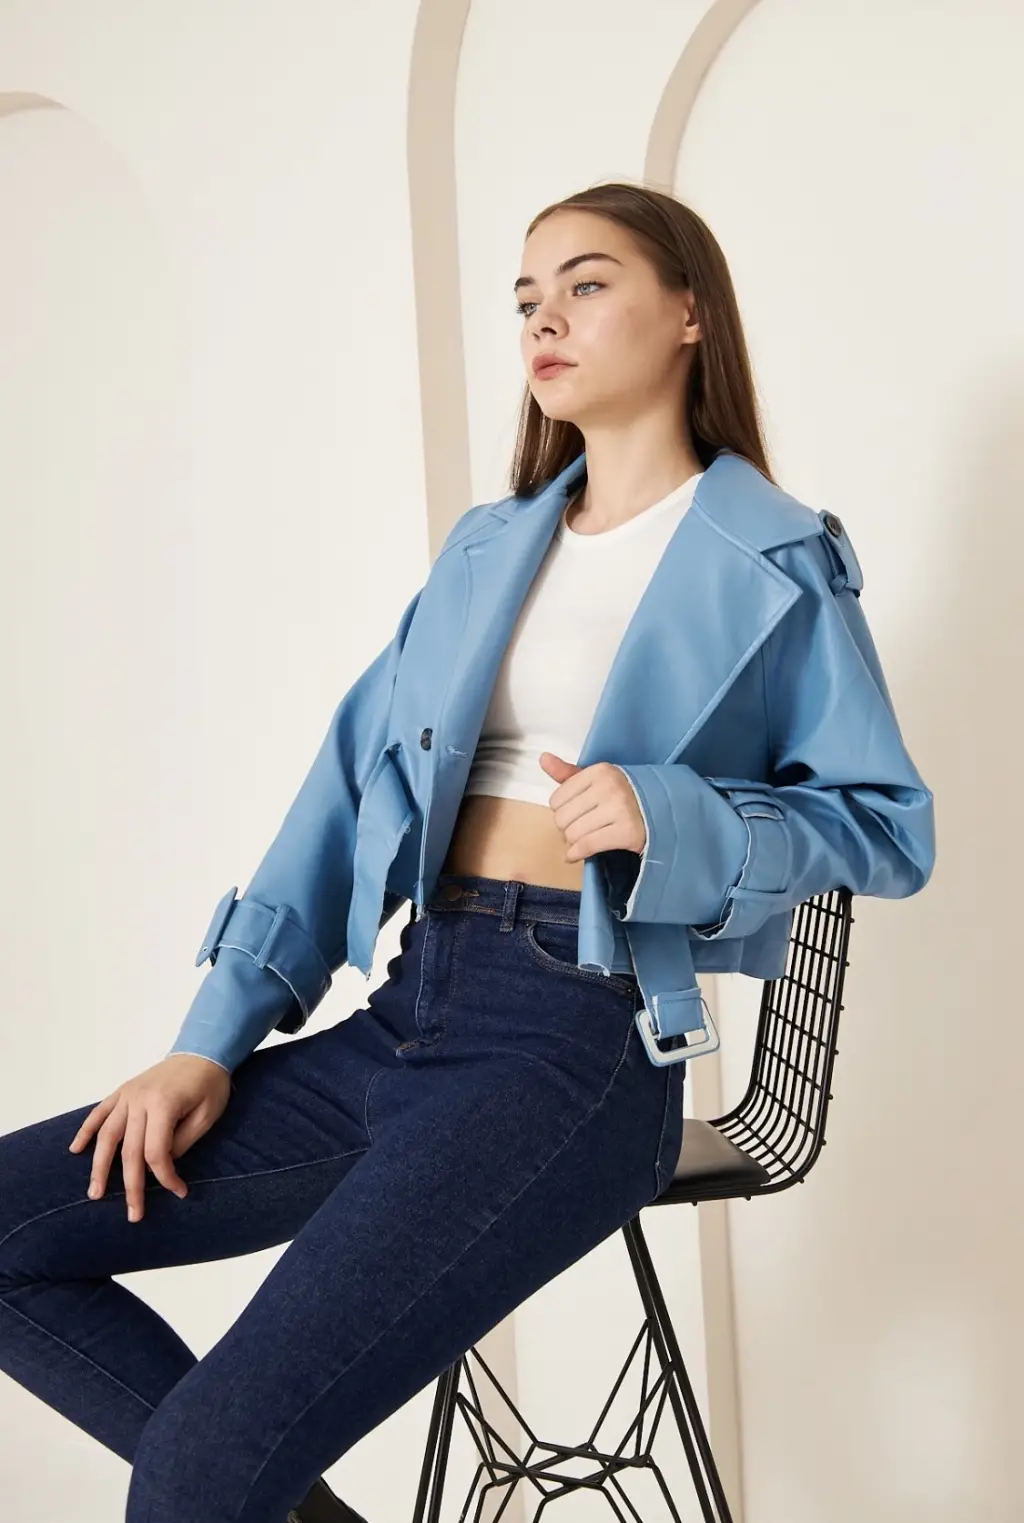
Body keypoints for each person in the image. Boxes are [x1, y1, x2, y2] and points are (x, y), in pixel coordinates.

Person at [0, 182, 934, 1523]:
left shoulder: (779, 559)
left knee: (204, 1464)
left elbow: (889, 828)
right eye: (527, 298)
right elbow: (342, 790)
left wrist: (682, 819)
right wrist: (209, 1040)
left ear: (689, 313)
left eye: (587, 284)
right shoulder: (490, 548)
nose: (545, 318)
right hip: (409, 1011)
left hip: (578, 1045)